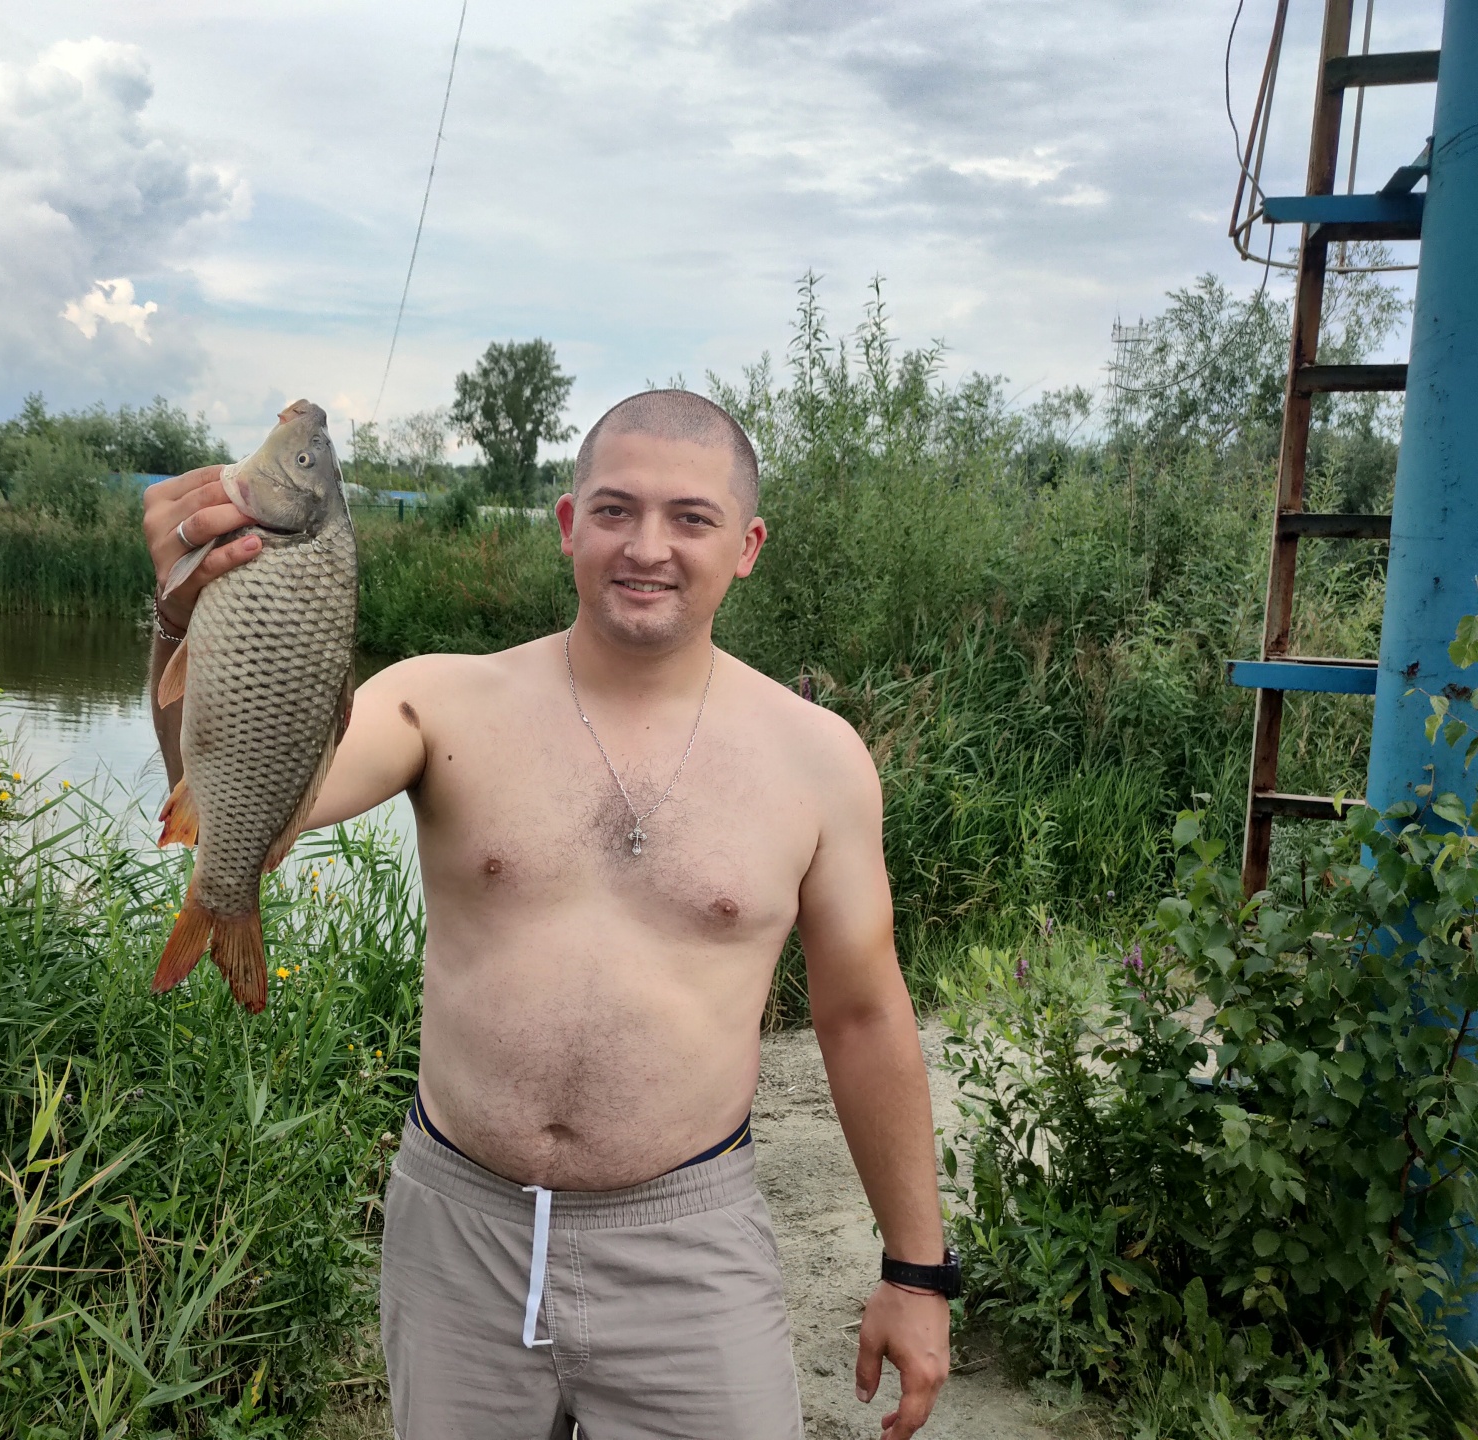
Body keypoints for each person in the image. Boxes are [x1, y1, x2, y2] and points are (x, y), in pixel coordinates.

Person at [144, 391, 952, 1440]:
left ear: (747, 546)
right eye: (614, 511)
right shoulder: (437, 700)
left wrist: (916, 1271)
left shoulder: (820, 759)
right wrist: (179, 614)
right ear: (569, 525)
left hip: (687, 1241)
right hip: (458, 1235)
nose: (647, 547)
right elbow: (250, 799)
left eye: (691, 519)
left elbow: (862, 1015)